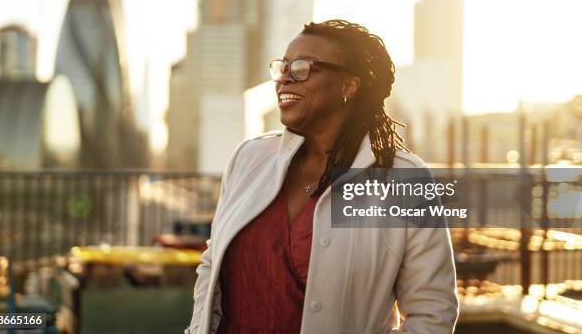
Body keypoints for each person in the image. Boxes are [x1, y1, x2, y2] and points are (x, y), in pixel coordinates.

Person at [186, 19, 458, 334]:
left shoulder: (404, 181)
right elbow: (212, 264)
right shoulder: (249, 158)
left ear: (349, 86)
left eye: (301, 68)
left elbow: (432, 313)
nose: (284, 79)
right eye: (282, 67)